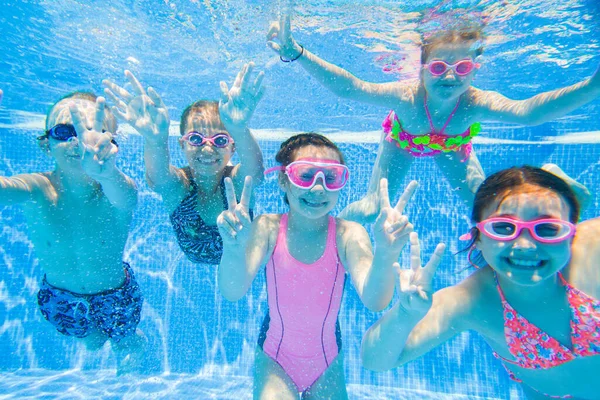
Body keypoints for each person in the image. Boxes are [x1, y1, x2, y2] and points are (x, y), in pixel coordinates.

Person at [267, 14, 600, 223]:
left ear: (474, 69)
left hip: (452, 148)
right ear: (423, 68)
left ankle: (549, 178)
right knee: (371, 209)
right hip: (403, 143)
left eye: (463, 68)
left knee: (483, 209)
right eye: (440, 67)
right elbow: (352, 88)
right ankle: (333, 229)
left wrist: (592, 85)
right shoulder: (407, 98)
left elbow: (529, 112)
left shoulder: (476, 102)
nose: (450, 77)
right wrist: (296, 52)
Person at [361, 166, 600, 399]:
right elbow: (376, 360)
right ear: (478, 239)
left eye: (548, 228)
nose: (525, 246)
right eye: (504, 228)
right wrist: (405, 313)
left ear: (571, 234)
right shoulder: (474, 300)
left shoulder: (593, 247)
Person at [217, 132, 417, 399]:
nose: (318, 188)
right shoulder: (268, 227)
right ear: (284, 181)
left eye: (330, 177)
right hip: (275, 361)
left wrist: (385, 254)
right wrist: (233, 249)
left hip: (327, 363)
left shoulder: (349, 234)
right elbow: (233, 290)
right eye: (305, 175)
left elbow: (375, 300)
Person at [0, 92, 145, 374]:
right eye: (64, 132)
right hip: (61, 300)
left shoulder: (116, 188)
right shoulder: (37, 188)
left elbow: (127, 198)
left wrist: (105, 173)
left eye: (93, 132)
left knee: (125, 343)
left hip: (116, 296)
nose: (78, 142)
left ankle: (131, 349)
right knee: (91, 341)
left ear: (112, 144)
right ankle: (99, 337)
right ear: (46, 144)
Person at [103, 63, 265, 264]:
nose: (207, 149)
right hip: (194, 257)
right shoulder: (181, 185)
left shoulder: (235, 181)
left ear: (233, 148)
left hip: (240, 260)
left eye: (220, 140)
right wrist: (155, 140)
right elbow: (158, 178)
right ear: (182, 144)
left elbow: (255, 173)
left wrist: (240, 128)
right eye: (196, 139)